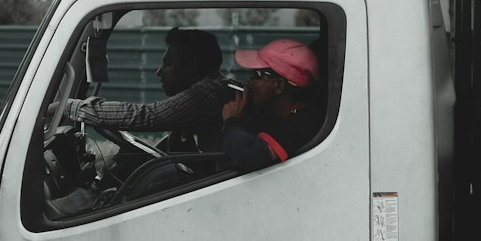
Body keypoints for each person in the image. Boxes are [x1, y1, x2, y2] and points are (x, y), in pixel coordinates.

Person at [58, 28, 232, 152]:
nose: (158, 72)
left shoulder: (204, 95)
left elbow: (146, 115)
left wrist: (67, 107)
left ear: (192, 65)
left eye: (168, 63)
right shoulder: (219, 88)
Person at [220, 37, 324, 172]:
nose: (250, 82)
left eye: (257, 75)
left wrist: (232, 120)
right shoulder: (281, 115)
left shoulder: (304, 123)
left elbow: (249, 156)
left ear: (278, 85)